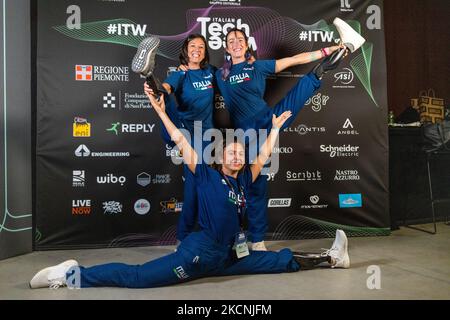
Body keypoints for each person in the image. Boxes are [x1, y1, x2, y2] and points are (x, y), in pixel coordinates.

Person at [29, 93, 350, 290]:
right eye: (231, 151)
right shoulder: (207, 175)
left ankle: (333, 258)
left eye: (240, 152)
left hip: (229, 256)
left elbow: (264, 155)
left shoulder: (244, 181)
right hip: (198, 255)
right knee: (139, 278)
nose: (236, 154)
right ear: (221, 157)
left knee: (276, 261)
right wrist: (160, 113)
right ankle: (71, 275)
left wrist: (276, 129)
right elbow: (182, 141)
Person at [215, 22, 362, 251]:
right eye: (231, 41)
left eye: (240, 40)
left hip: (267, 120)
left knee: (303, 86)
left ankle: (258, 240)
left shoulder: (258, 67)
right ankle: (243, 237)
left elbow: (295, 60)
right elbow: (194, 79)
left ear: (247, 46)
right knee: (254, 185)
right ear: (226, 47)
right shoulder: (220, 74)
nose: (236, 44)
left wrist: (327, 50)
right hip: (244, 134)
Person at [133, 34, 217, 243]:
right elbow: (168, 88)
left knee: (196, 186)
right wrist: (156, 88)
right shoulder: (180, 74)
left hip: (205, 136)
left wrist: (249, 61)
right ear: (186, 50)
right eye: (192, 46)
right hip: (182, 132)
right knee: (164, 96)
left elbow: (229, 74)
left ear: (205, 52)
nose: (197, 49)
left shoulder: (211, 72)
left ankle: (184, 238)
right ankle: (149, 75)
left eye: (201, 46)